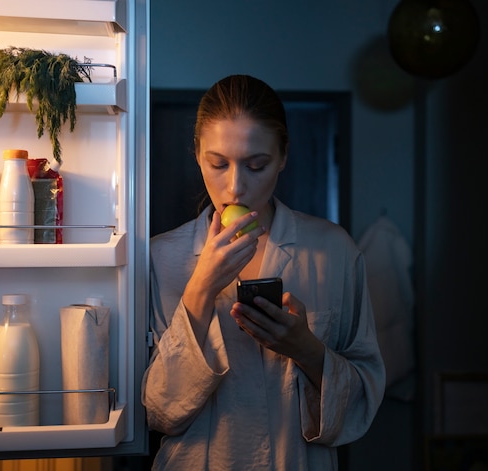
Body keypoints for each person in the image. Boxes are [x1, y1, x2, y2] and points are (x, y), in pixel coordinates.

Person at [142, 74, 385, 470]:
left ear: (283, 156)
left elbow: (363, 400)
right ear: (197, 155)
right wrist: (200, 290)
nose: (235, 187)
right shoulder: (162, 257)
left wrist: (306, 349)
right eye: (217, 163)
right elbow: (159, 412)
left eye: (257, 165)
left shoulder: (332, 251)